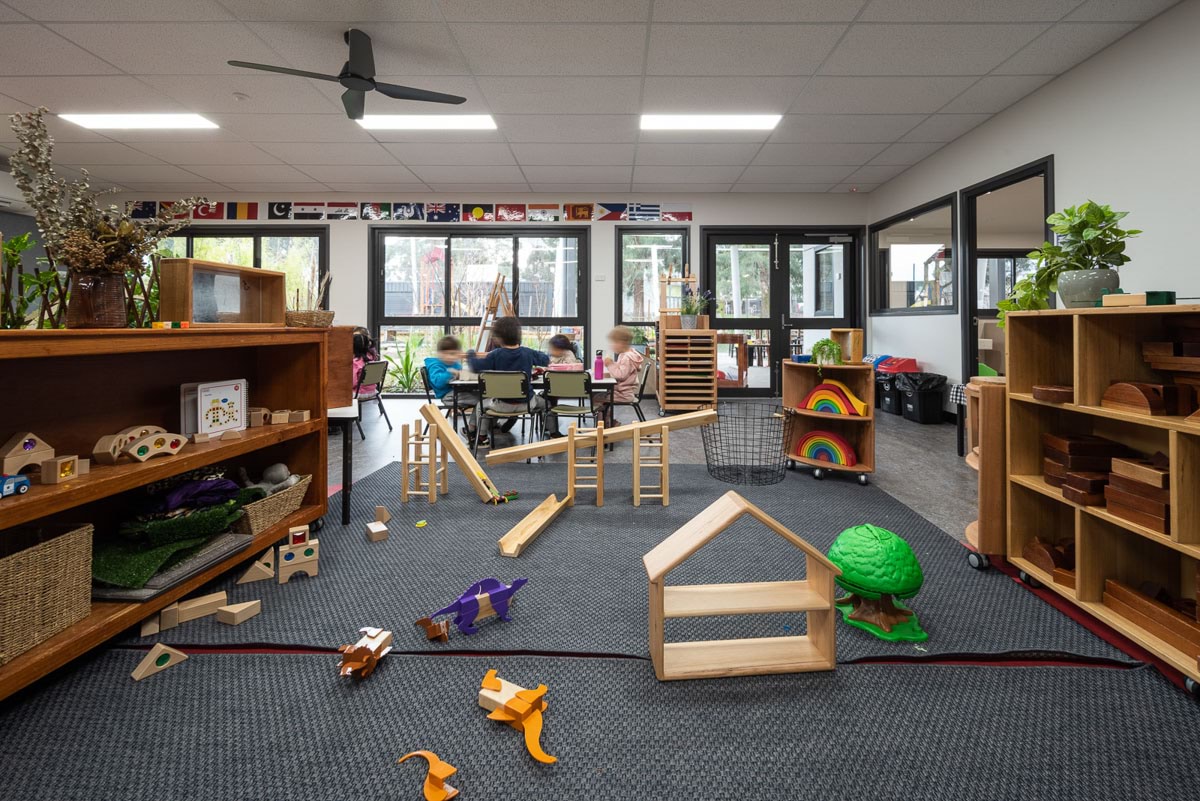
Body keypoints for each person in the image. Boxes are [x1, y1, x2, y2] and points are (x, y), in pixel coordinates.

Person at [467, 317, 548, 438]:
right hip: (527, 404)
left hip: (501, 405)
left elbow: (475, 366)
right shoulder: (528, 353)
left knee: (480, 406)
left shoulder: (494, 355)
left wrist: (470, 354)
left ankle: (482, 437)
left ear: (499, 337)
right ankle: (553, 433)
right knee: (547, 405)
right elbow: (545, 359)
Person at [423, 335, 483, 443]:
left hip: (458, 392)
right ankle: (472, 430)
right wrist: (450, 372)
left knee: (483, 397)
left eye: (454, 354)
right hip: (448, 396)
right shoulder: (435, 365)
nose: (451, 357)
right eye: (448, 354)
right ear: (440, 353)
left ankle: (477, 428)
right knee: (482, 402)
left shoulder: (455, 364)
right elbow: (437, 382)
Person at [597, 325, 644, 426]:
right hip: (623, 392)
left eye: (613, 343)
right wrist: (613, 365)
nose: (611, 346)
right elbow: (621, 371)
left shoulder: (626, 357)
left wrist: (610, 364)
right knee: (600, 398)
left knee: (597, 400)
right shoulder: (627, 354)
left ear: (621, 343)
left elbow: (621, 375)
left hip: (623, 394)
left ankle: (603, 427)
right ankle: (609, 422)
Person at [352, 326, 379, 395]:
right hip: (372, 390)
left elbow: (353, 383)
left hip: (360, 392)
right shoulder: (371, 356)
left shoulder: (356, 362)